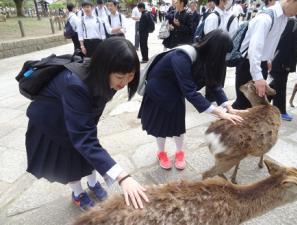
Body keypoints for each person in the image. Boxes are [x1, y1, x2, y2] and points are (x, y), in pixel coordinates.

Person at [25, 37, 149, 211]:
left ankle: (93, 183)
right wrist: (122, 177)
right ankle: (77, 193)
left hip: (77, 115)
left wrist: (90, 133)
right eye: (120, 77)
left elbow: (89, 128)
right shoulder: (75, 84)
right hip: (52, 121)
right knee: (70, 158)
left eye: (131, 76)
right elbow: (83, 138)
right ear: (104, 69)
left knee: (88, 152)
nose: (125, 82)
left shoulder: (103, 76)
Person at [138, 30, 244, 170]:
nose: (224, 57)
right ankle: (161, 153)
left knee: (178, 126)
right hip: (159, 91)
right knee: (160, 127)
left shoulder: (206, 58)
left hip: (175, 90)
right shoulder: (182, 56)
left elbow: (214, 84)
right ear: (216, 50)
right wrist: (219, 113)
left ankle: (179, 152)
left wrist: (227, 106)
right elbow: (189, 91)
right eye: (224, 53)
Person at [232, 0, 297, 110]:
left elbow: (272, 41)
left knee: (251, 105)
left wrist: (269, 60)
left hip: (260, 63)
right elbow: (254, 49)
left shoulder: (283, 18)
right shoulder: (265, 18)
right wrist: (257, 77)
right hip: (248, 64)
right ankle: (220, 126)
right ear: (290, 1)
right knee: (242, 103)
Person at [269, 16, 297, 121]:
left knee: (276, 85)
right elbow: (283, 44)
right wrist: (285, 63)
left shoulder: (295, 22)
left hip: (283, 62)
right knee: (280, 87)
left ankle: (262, 105)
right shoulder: (292, 22)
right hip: (281, 62)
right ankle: (280, 111)